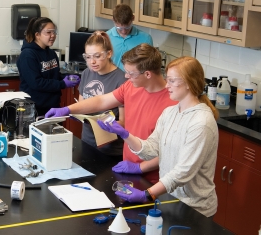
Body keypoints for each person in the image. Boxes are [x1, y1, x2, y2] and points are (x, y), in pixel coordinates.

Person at [98, 56, 219, 217]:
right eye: (167, 79)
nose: (166, 85)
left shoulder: (201, 122)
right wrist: (125, 134)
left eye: (172, 81)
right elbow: (151, 149)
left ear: (189, 83)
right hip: (169, 200)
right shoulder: (170, 112)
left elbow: (183, 172)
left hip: (195, 208)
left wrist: (147, 194)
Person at [45, 44, 177, 184]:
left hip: (155, 180)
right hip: (126, 169)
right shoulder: (131, 86)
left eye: (131, 73)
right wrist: (68, 109)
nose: (126, 76)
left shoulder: (173, 103)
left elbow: (171, 153)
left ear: (148, 74)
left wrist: (140, 167)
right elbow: (102, 101)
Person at [77, 31, 127, 157]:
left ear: (108, 54)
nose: (92, 61)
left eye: (97, 56)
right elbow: (82, 105)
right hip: (87, 141)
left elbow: (124, 122)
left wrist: (106, 124)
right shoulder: (86, 73)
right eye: (88, 57)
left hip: (110, 150)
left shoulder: (121, 80)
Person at [17, 17, 79, 116]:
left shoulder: (51, 53)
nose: (53, 36)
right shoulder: (27, 55)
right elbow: (36, 83)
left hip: (53, 105)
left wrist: (67, 78)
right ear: (37, 35)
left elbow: (54, 76)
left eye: (54, 32)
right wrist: (63, 84)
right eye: (48, 32)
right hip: (35, 109)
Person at [107, 4, 153, 71]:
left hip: (135, 80)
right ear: (113, 20)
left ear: (133, 18)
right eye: (119, 28)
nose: (123, 31)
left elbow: (149, 67)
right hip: (112, 79)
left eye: (127, 27)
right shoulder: (106, 38)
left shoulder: (146, 39)